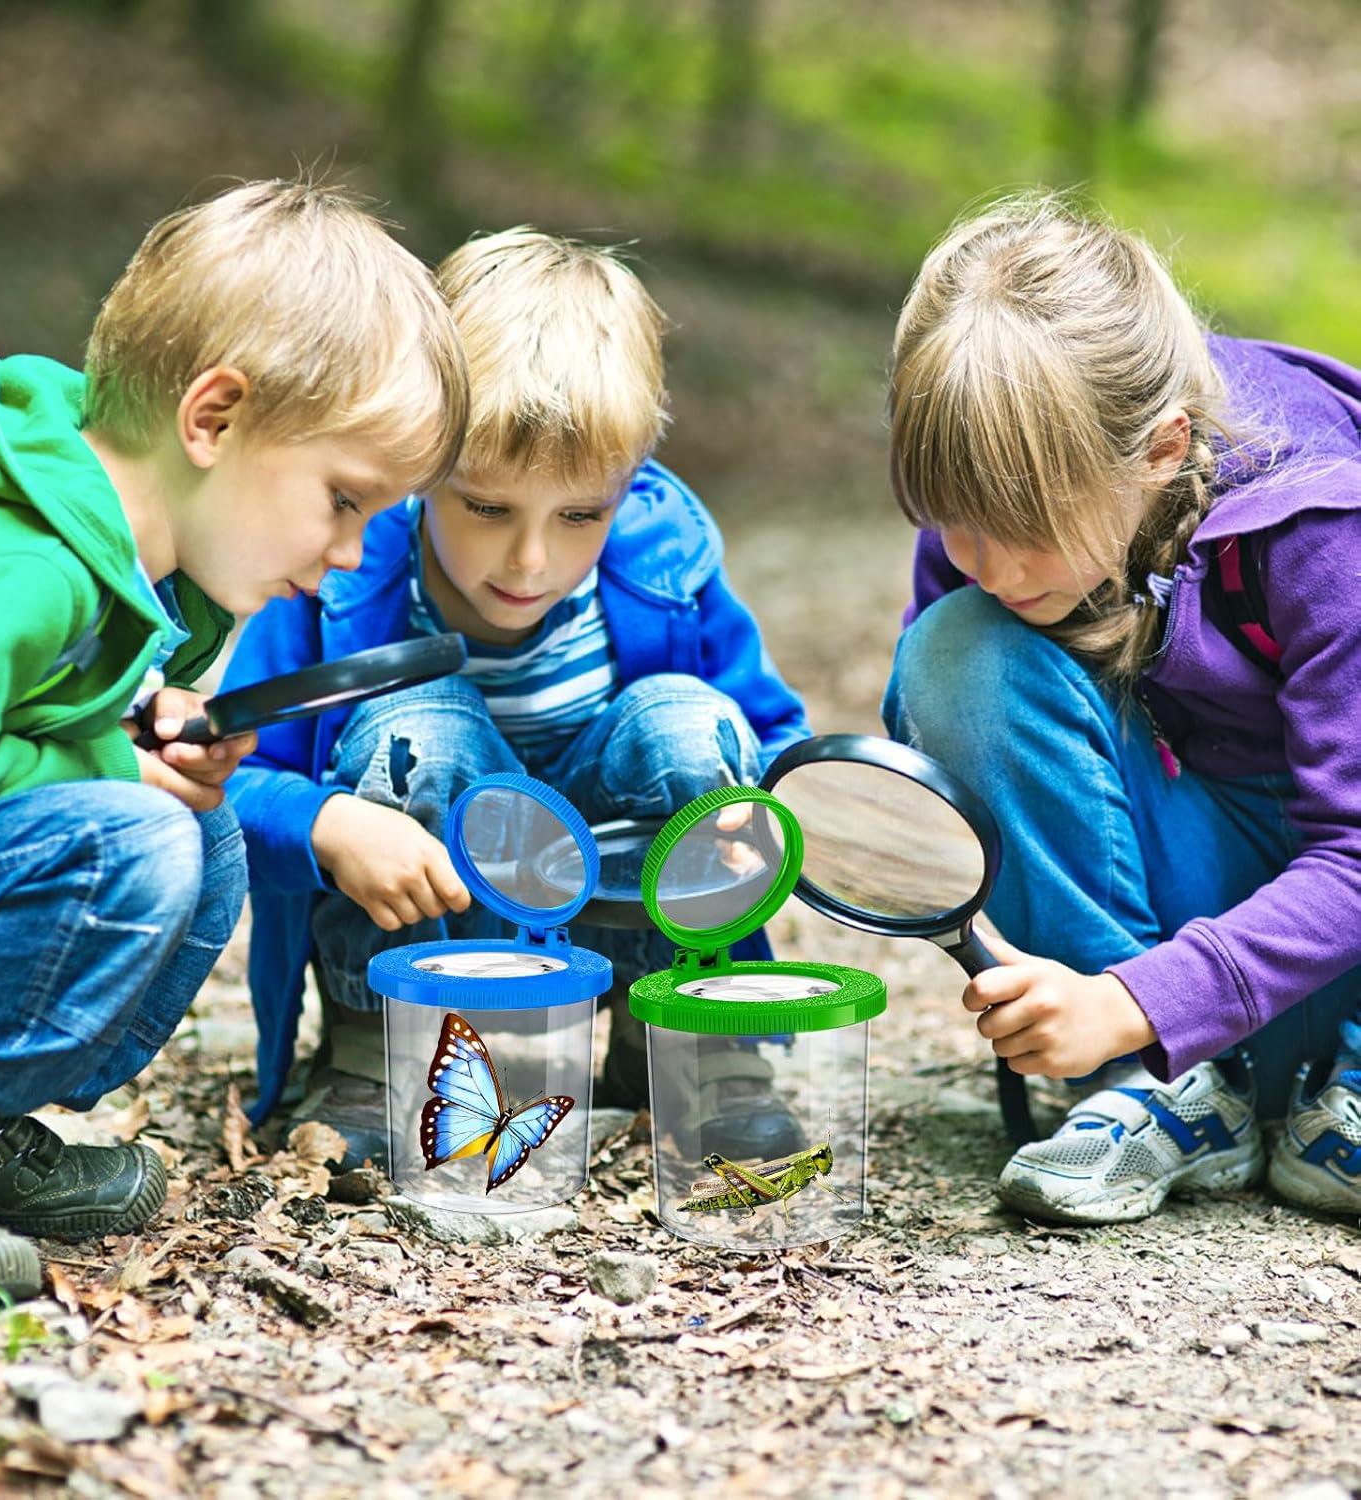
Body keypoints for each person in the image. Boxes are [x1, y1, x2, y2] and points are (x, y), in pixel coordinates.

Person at [0, 179, 468, 1297]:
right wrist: (102, 762)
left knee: (203, 836)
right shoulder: (24, 562)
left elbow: (13, 723)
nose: (349, 552)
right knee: (132, 841)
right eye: (344, 499)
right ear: (214, 419)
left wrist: (136, 722)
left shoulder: (128, 574)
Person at [225, 228, 810, 1168]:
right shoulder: (344, 578)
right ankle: (384, 1051)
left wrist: (767, 819)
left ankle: (685, 1040)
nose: (532, 561)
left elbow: (772, 739)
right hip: (429, 930)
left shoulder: (664, 566)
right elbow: (233, 783)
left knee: (687, 724)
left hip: (613, 913)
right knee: (422, 723)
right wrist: (330, 823)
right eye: (487, 508)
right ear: (420, 466)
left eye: (581, 514)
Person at [883, 193, 1361, 1225]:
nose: (993, 565)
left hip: (1330, 952)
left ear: (1161, 447)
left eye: (1028, 531)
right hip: (1190, 979)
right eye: (958, 523)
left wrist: (1138, 1001)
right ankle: (1162, 1097)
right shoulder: (992, 518)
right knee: (957, 652)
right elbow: (958, 756)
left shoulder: (1323, 528)